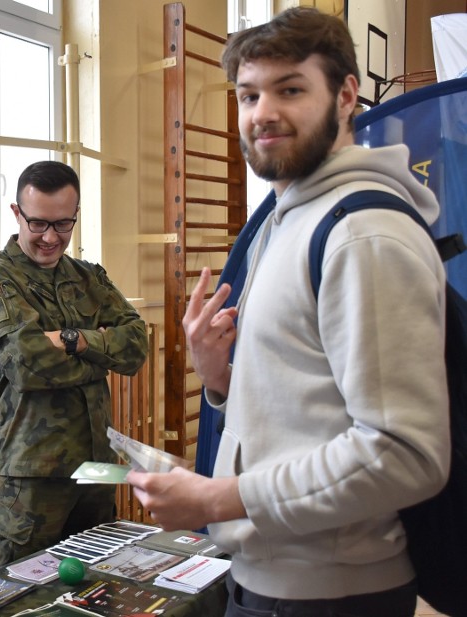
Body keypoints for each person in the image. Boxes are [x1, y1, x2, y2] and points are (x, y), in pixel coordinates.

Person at [126, 8, 450, 617]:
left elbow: (405, 454)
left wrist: (220, 499)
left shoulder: (362, 233)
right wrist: (220, 377)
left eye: (291, 89)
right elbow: (306, 402)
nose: (262, 113)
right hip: (267, 582)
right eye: (249, 94)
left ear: (347, 94)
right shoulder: (284, 220)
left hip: (329, 595)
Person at [0, 160, 149, 568]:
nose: (50, 237)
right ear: (17, 214)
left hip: (96, 473)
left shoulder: (88, 277)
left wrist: (74, 340)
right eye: (38, 224)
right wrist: (100, 355)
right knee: (20, 602)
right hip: (31, 478)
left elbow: (136, 346)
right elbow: (26, 365)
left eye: (63, 225)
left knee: (98, 591)